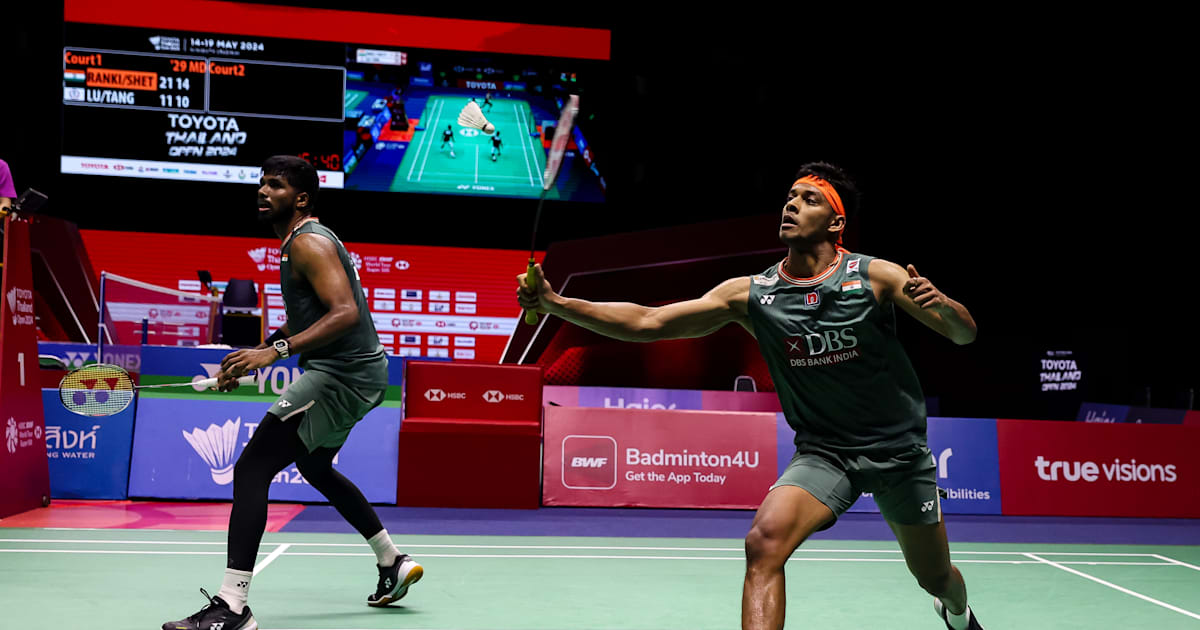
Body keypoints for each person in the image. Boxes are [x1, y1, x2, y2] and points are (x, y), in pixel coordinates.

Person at [517, 161, 984, 630]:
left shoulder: (875, 277)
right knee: (764, 543)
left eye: (809, 199)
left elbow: (963, 335)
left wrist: (942, 304)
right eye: (790, 196)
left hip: (898, 454)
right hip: (826, 455)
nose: (792, 204)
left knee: (936, 576)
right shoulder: (753, 295)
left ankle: (957, 612)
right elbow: (647, 322)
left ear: (837, 224)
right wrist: (557, 304)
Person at [163, 156, 423, 630]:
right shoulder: (298, 243)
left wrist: (275, 351)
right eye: (261, 183)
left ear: (300, 198)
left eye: (276, 185)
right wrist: (257, 353)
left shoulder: (308, 242)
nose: (263, 191)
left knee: (252, 467)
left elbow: (344, 312)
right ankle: (392, 560)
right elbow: (313, 318)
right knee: (314, 464)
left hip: (342, 373)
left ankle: (232, 607)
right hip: (357, 373)